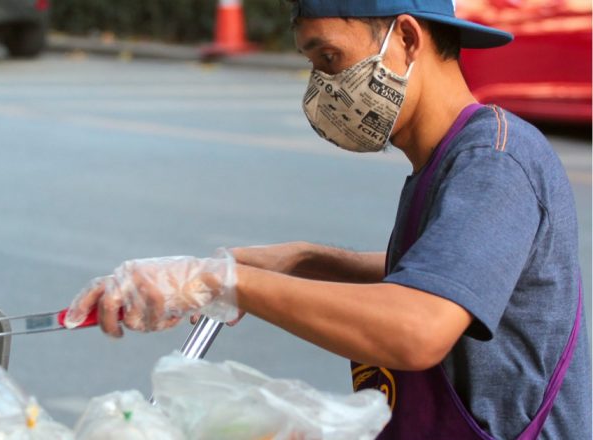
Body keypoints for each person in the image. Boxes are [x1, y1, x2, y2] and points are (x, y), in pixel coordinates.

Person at [63, 0, 592, 438]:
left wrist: (225, 281)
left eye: (331, 58)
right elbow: (445, 271)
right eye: (312, 64)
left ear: (407, 38)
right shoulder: (452, 157)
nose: (322, 88)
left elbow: (418, 328)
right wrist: (299, 261)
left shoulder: (494, 161)